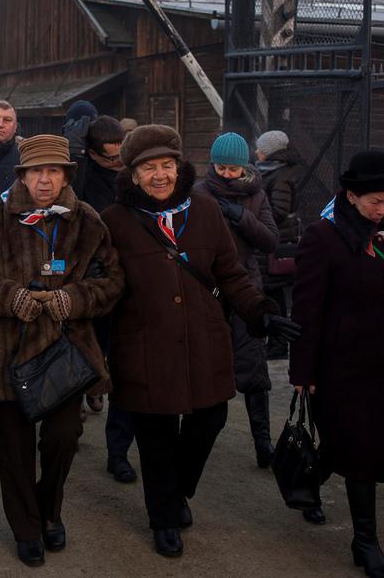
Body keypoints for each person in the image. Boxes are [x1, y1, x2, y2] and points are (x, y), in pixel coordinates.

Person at [99, 125, 298, 558]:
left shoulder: (205, 210)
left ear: (179, 168)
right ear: (132, 175)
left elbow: (230, 273)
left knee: (210, 419)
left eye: (167, 165)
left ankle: (177, 490)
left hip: (204, 340)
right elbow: (102, 284)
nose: (160, 175)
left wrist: (262, 312)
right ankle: (163, 518)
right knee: (156, 437)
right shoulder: (114, 221)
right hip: (145, 344)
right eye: (148, 167)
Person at [0, 134, 123, 567]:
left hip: (65, 350)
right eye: (35, 171)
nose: (44, 180)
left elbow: (111, 281)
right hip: (6, 352)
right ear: (23, 176)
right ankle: (26, 527)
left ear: (65, 174)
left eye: (53, 171)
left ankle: (49, 510)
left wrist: (74, 299)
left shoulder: (86, 221)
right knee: (13, 447)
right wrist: (8, 297)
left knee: (64, 438)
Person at [290, 150, 384, 578]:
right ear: (351, 196)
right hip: (339, 369)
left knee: (356, 448)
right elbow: (307, 311)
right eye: (375, 200)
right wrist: (304, 373)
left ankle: (311, 491)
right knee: (359, 452)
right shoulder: (324, 237)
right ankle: (366, 541)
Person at [196, 133, 280, 470]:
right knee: (206, 366)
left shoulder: (256, 194)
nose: (227, 174)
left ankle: (263, 442)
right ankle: (198, 438)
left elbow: (270, 240)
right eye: (221, 167)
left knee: (253, 366)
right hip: (209, 289)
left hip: (247, 287)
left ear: (245, 167)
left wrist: (239, 215)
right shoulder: (199, 193)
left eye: (233, 168)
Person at [70, 115, 136, 478]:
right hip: (90, 287)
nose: (117, 164)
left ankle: (117, 452)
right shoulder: (79, 178)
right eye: (110, 158)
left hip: (128, 286)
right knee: (85, 357)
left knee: (123, 370)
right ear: (92, 153)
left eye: (120, 156)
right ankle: (73, 419)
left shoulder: (131, 176)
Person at [255, 129, 306, 359]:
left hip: (273, 243)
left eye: (260, 149)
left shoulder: (281, 176)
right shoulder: (274, 172)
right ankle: (274, 343)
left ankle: (277, 345)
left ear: (269, 152)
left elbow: (279, 210)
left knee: (272, 293)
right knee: (270, 292)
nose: (257, 152)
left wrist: (254, 221)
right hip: (269, 241)